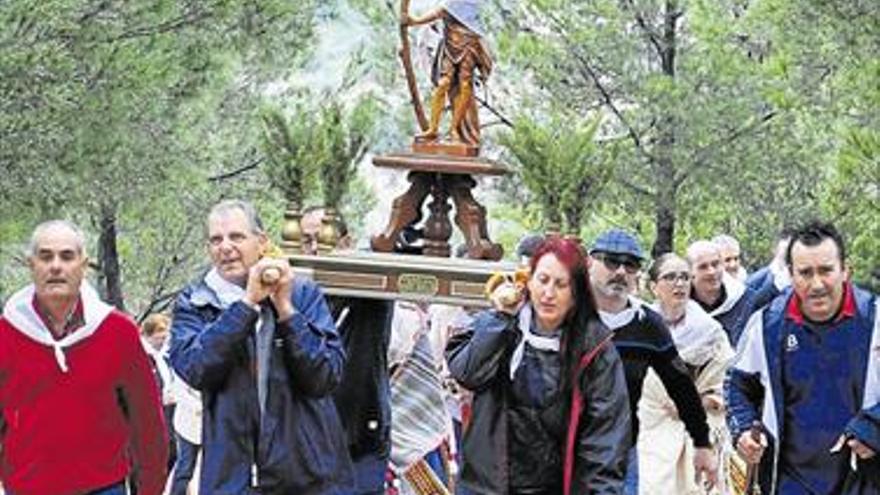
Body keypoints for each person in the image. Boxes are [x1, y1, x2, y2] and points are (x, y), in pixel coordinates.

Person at [169, 200, 352, 494]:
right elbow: (196, 369)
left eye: (237, 237)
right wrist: (245, 307)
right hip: (231, 479)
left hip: (306, 478)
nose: (225, 247)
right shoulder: (195, 301)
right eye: (216, 240)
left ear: (262, 242)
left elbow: (326, 375)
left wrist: (287, 312)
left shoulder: (302, 293)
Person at [447, 236, 630, 494]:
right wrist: (501, 317)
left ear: (576, 292)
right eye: (542, 280)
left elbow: (606, 439)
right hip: (488, 485)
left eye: (561, 284)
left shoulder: (595, 348)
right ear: (528, 281)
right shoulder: (500, 325)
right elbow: (468, 373)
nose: (548, 293)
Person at [0, 220, 167, 494]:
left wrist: (150, 489)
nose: (56, 266)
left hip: (104, 488)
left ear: (83, 265)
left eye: (67, 256)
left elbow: (147, 422)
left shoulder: (118, 332)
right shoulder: (6, 334)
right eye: (45, 256)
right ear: (31, 264)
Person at [726, 221, 879, 494]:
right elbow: (736, 384)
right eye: (805, 273)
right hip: (791, 479)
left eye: (826, 271)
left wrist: (873, 427)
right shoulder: (767, 325)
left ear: (845, 270)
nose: (816, 284)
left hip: (864, 475)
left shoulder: (874, 319)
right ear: (791, 275)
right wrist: (744, 431)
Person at [587, 229, 716, 494]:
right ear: (590, 263)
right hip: (563, 451)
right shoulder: (569, 316)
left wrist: (702, 443)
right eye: (611, 261)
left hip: (621, 453)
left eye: (631, 264)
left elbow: (681, 386)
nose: (621, 271)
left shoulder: (648, 326)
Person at [301, 206, 396, 495]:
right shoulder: (291, 295)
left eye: (325, 239)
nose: (316, 248)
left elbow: (384, 254)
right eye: (308, 240)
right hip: (304, 441)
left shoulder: (368, 289)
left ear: (347, 242)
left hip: (359, 437)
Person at [638, 253, 735, 494]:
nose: (679, 283)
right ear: (653, 287)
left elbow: (731, 382)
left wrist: (700, 402)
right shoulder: (638, 329)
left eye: (684, 277)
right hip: (653, 432)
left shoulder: (711, 332)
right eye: (670, 277)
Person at [402, 0, 493, 145]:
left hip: (470, 42)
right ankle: (433, 129)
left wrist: (415, 21)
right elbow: (441, 12)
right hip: (451, 43)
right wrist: (414, 21)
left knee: (465, 86)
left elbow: (468, 16)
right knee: (443, 84)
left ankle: (454, 128)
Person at [687, 239, 757, 347]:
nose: (711, 272)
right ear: (690, 272)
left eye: (715, 264)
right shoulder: (680, 307)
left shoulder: (746, 300)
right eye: (703, 267)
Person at [141, 313, 177, 472]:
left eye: (165, 338)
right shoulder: (141, 357)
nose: (163, 342)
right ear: (149, 335)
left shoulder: (164, 358)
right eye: (159, 337)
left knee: (172, 456)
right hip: (149, 419)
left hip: (169, 414)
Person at [745, 228, 793, 310]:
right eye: (786, 250)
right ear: (775, 250)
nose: (788, 255)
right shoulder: (757, 280)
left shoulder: (798, 278)